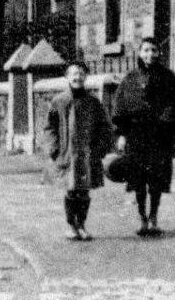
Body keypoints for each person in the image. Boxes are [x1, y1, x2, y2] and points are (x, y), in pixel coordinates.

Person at [111, 37, 175, 237]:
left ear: (158, 53)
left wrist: (164, 124)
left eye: (153, 50)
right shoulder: (130, 79)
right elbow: (120, 107)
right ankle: (142, 219)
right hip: (136, 136)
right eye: (145, 50)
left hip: (159, 135)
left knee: (156, 179)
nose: (149, 54)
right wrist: (122, 134)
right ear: (139, 53)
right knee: (139, 180)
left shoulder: (168, 77)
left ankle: (154, 218)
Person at [44, 62, 112, 242]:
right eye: (74, 74)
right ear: (67, 77)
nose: (77, 77)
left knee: (84, 191)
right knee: (70, 190)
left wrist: (100, 149)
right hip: (66, 153)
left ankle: (81, 224)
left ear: (86, 77)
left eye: (81, 74)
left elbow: (104, 127)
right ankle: (71, 226)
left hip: (87, 154)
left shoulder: (93, 102)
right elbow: (50, 127)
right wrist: (53, 148)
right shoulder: (59, 101)